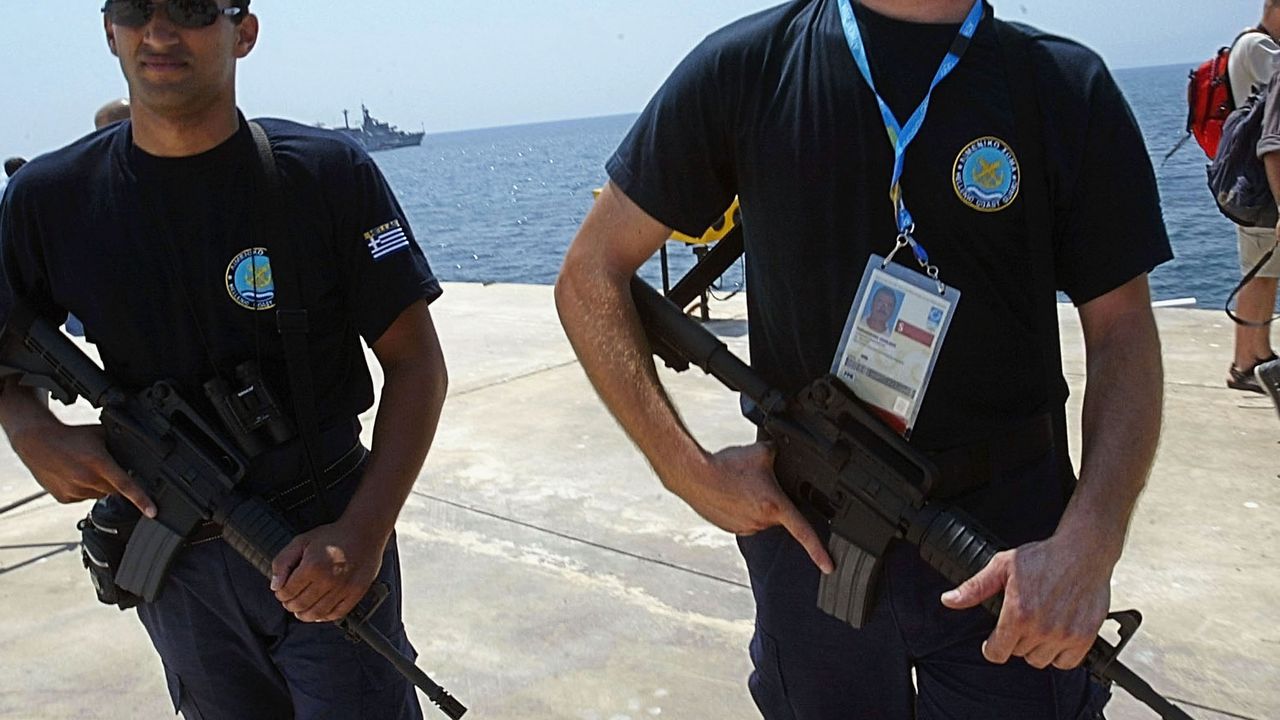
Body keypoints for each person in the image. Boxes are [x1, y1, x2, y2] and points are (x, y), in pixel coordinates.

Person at [556, 0, 1170, 717]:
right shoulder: (747, 67)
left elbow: (1123, 331)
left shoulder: (1063, 84)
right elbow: (590, 272)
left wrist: (1090, 541)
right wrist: (686, 472)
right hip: (813, 531)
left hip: (1010, 551)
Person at [0, 1, 447, 718]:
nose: (160, 31)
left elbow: (417, 363)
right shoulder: (48, 201)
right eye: (136, 8)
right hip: (176, 563)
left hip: (324, 536)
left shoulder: (325, 175)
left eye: (190, 8)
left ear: (244, 31)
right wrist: (30, 430)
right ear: (109, 30)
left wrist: (362, 537)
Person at [1226, 1, 1280, 393]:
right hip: (1263, 183)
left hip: (1254, 179)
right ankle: (1246, 362)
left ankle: (1258, 355)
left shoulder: (1248, 42)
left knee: (1264, 272)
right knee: (1260, 274)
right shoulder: (1262, 48)